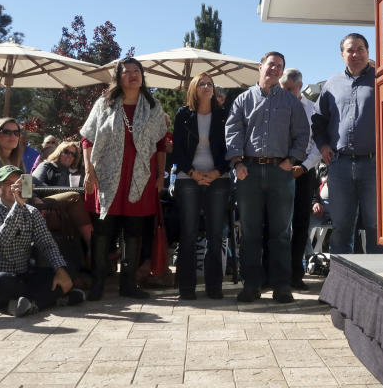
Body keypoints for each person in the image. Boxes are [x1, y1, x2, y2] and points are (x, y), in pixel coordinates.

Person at [225, 51, 309, 303]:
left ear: (282, 72)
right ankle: (251, 285)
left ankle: (282, 286)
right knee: (250, 233)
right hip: (248, 172)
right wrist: (237, 161)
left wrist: (292, 159)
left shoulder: (291, 102)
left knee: (282, 233)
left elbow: (303, 134)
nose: (274, 69)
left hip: (280, 173)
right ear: (260, 67)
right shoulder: (242, 100)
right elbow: (232, 130)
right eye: (270, 64)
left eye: (279, 66)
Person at [80, 58, 167, 301]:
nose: (132, 75)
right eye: (126, 72)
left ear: (142, 75)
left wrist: (160, 175)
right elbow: (87, 139)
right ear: (118, 78)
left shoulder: (152, 106)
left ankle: (128, 284)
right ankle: (98, 282)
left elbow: (161, 143)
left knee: (134, 231)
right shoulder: (104, 104)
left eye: (136, 71)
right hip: (106, 177)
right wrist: (89, 170)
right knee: (103, 232)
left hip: (140, 177)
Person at [0, 165, 83, 316]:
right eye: (9, 183)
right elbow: (1, 238)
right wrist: (19, 205)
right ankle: (48, 300)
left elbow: (47, 244)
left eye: (19, 182)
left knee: (65, 269)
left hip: (22, 278)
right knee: (2, 281)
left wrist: (60, 270)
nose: (15, 187)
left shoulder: (32, 213)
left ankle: (27, 304)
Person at [312, 33, 383, 255]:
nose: (355, 54)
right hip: (339, 165)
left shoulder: (382, 79)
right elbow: (317, 119)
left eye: (360, 49)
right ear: (342, 54)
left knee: (376, 227)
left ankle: (379, 283)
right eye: (350, 50)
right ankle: (342, 284)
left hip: (374, 165)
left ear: (368, 52)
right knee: (342, 228)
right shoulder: (331, 84)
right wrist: (323, 145)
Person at [171, 72, 231, 300]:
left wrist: (217, 172)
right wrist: (194, 174)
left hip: (219, 178)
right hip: (189, 178)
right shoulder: (183, 115)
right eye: (202, 83)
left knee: (215, 235)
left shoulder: (224, 115)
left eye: (210, 84)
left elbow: (232, 148)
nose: (207, 86)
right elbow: (177, 150)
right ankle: (186, 288)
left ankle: (214, 287)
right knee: (188, 233)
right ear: (194, 89)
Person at [278, 68, 321, 291]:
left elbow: (317, 144)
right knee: (277, 224)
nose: (285, 92)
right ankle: (275, 273)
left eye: (289, 89)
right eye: (282, 88)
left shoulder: (312, 109)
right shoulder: (276, 106)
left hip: (304, 171)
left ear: (300, 87)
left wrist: (303, 167)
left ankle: (296, 274)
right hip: (279, 169)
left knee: (301, 224)